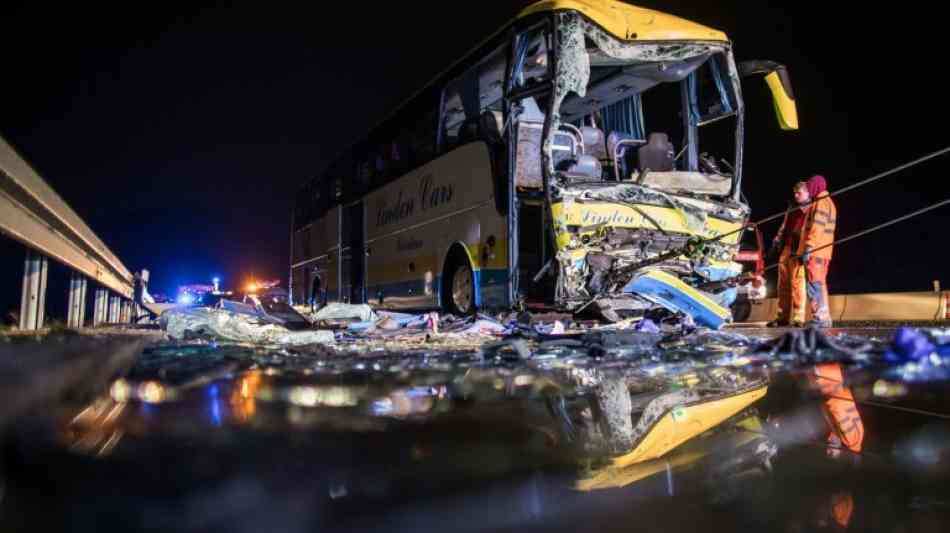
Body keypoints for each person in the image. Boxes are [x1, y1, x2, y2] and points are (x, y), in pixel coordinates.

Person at [767, 181, 809, 327]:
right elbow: (784, 226)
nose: (796, 196)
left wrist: (806, 250)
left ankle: (799, 317)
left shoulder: (811, 208)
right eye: (795, 193)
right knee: (783, 284)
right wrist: (776, 241)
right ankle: (782, 317)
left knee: (798, 284)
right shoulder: (792, 207)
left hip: (799, 249)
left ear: (808, 193)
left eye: (799, 193)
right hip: (787, 247)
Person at [798, 175, 837, 328]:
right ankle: (824, 317)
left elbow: (817, 227)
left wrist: (809, 246)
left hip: (816, 251)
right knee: (819, 284)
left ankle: (819, 317)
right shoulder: (828, 203)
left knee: (814, 284)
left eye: (810, 186)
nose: (808, 189)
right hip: (823, 251)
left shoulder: (820, 203)